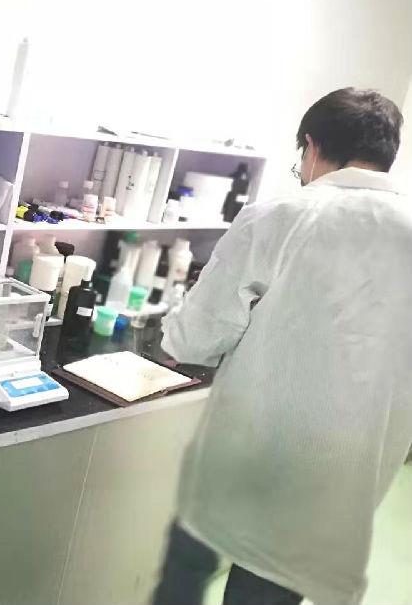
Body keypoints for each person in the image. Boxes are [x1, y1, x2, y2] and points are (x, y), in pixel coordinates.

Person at [152, 88, 412, 605]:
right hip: (345, 475)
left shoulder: (282, 215)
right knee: (272, 587)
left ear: (311, 147)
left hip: (252, 452)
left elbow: (193, 338)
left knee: (187, 570)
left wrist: (179, 331)